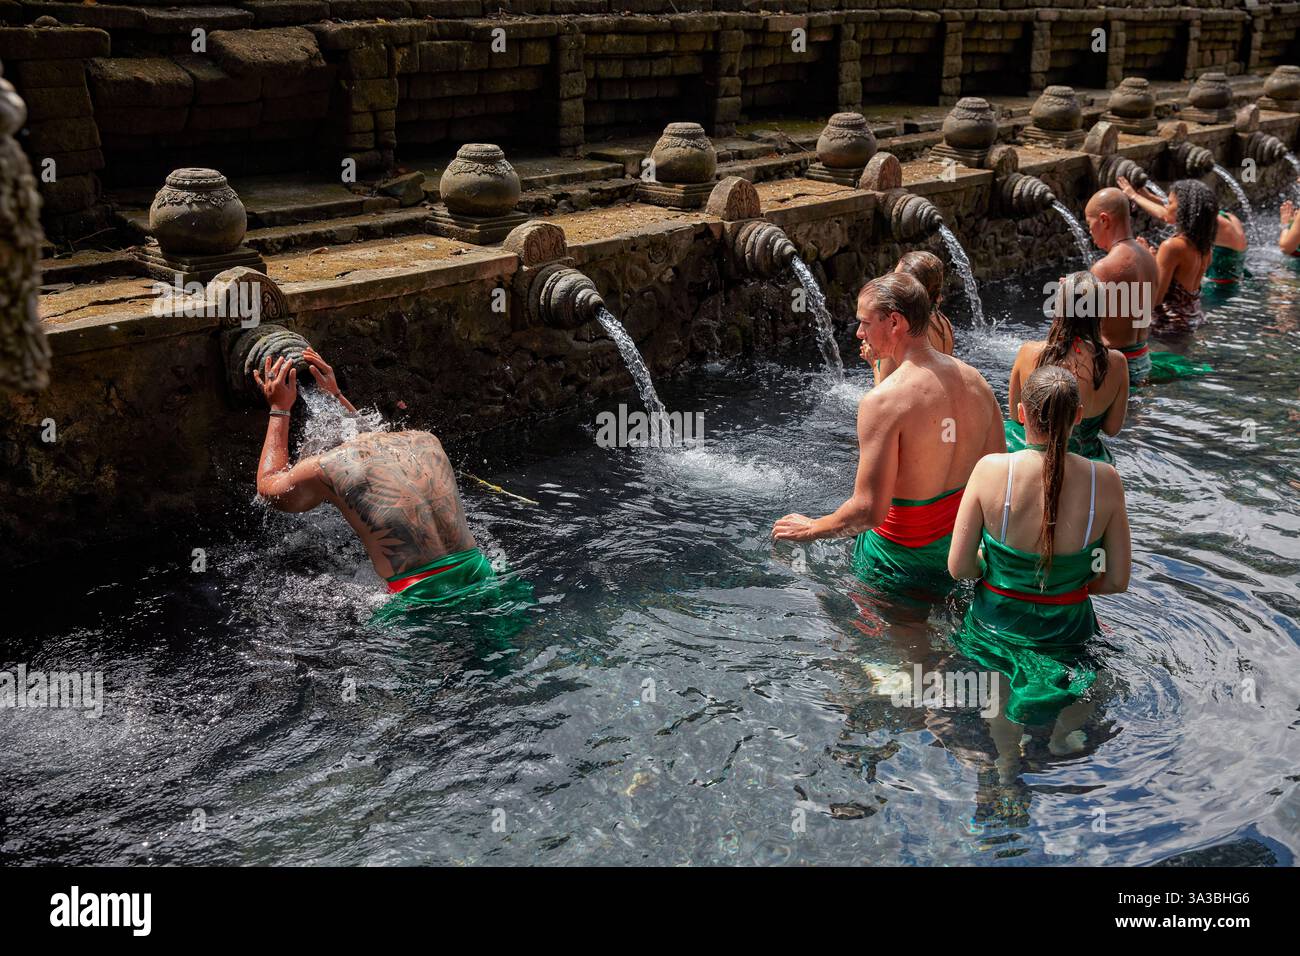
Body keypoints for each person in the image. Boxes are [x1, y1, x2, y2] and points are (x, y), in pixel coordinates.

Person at [773, 273, 1005, 586]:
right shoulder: (977, 382)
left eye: (865, 322)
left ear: (895, 323)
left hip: (894, 564)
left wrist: (812, 529)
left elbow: (868, 511)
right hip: (958, 558)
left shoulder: (883, 402)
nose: (858, 333)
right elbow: (999, 478)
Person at [948, 365, 1131, 750]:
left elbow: (959, 566)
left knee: (998, 676)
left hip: (996, 620)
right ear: (1079, 417)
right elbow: (1116, 580)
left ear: (1020, 414)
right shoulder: (1106, 480)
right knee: (1080, 679)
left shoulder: (990, 470)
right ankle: (1065, 735)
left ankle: (1005, 765)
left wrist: (992, 567)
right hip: (1067, 628)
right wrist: (1072, 585)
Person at [252, 347, 502, 617]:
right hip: (480, 573)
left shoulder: (325, 467)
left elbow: (269, 487)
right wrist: (336, 395)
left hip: (419, 595)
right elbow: (370, 438)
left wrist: (279, 410)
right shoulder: (425, 441)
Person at [1006, 272, 1128, 463]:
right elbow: (1112, 429)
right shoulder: (1117, 363)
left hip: (1036, 457)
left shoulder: (1028, 352)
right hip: (1087, 460)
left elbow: (1016, 415)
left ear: (1059, 308)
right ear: (1099, 312)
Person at [1085, 186, 1159, 384]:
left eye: (1090, 224)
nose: (1090, 233)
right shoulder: (1150, 258)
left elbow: (1084, 330)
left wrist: (1072, 293)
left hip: (1114, 369)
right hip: (1143, 361)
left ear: (1104, 220)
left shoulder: (1103, 268)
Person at [1119, 175, 1248, 286]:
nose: (1167, 205)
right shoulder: (1226, 218)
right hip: (1236, 280)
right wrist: (1147, 196)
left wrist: (1133, 195)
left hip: (1217, 291)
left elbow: (1167, 216)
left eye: (1170, 203)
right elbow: (1175, 208)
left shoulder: (1218, 225)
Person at [1133, 179, 1218, 335]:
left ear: (1183, 209)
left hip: (1168, 330)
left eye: (1170, 202)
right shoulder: (1205, 249)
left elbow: (1154, 300)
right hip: (1193, 322)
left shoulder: (1172, 247)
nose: (1166, 207)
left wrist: (1147, 260)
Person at [866, 251, 955, 383]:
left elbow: (885, 397)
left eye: (897, 278)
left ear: (908, 287)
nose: (891, 280)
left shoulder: (900, 335)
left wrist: (874, 362)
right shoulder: (943, 323)